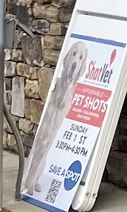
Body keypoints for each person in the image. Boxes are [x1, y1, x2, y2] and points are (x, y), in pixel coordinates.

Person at [20, 40, 91, 201]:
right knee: (41, 142)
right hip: (51, 110)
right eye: (74, 55)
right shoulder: (58, 85)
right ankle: (28, 181)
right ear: (68, 58)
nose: (75, 61)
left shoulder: (70, 93)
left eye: (80, 58)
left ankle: (33, 180)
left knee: (47, 145)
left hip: (59, 112)